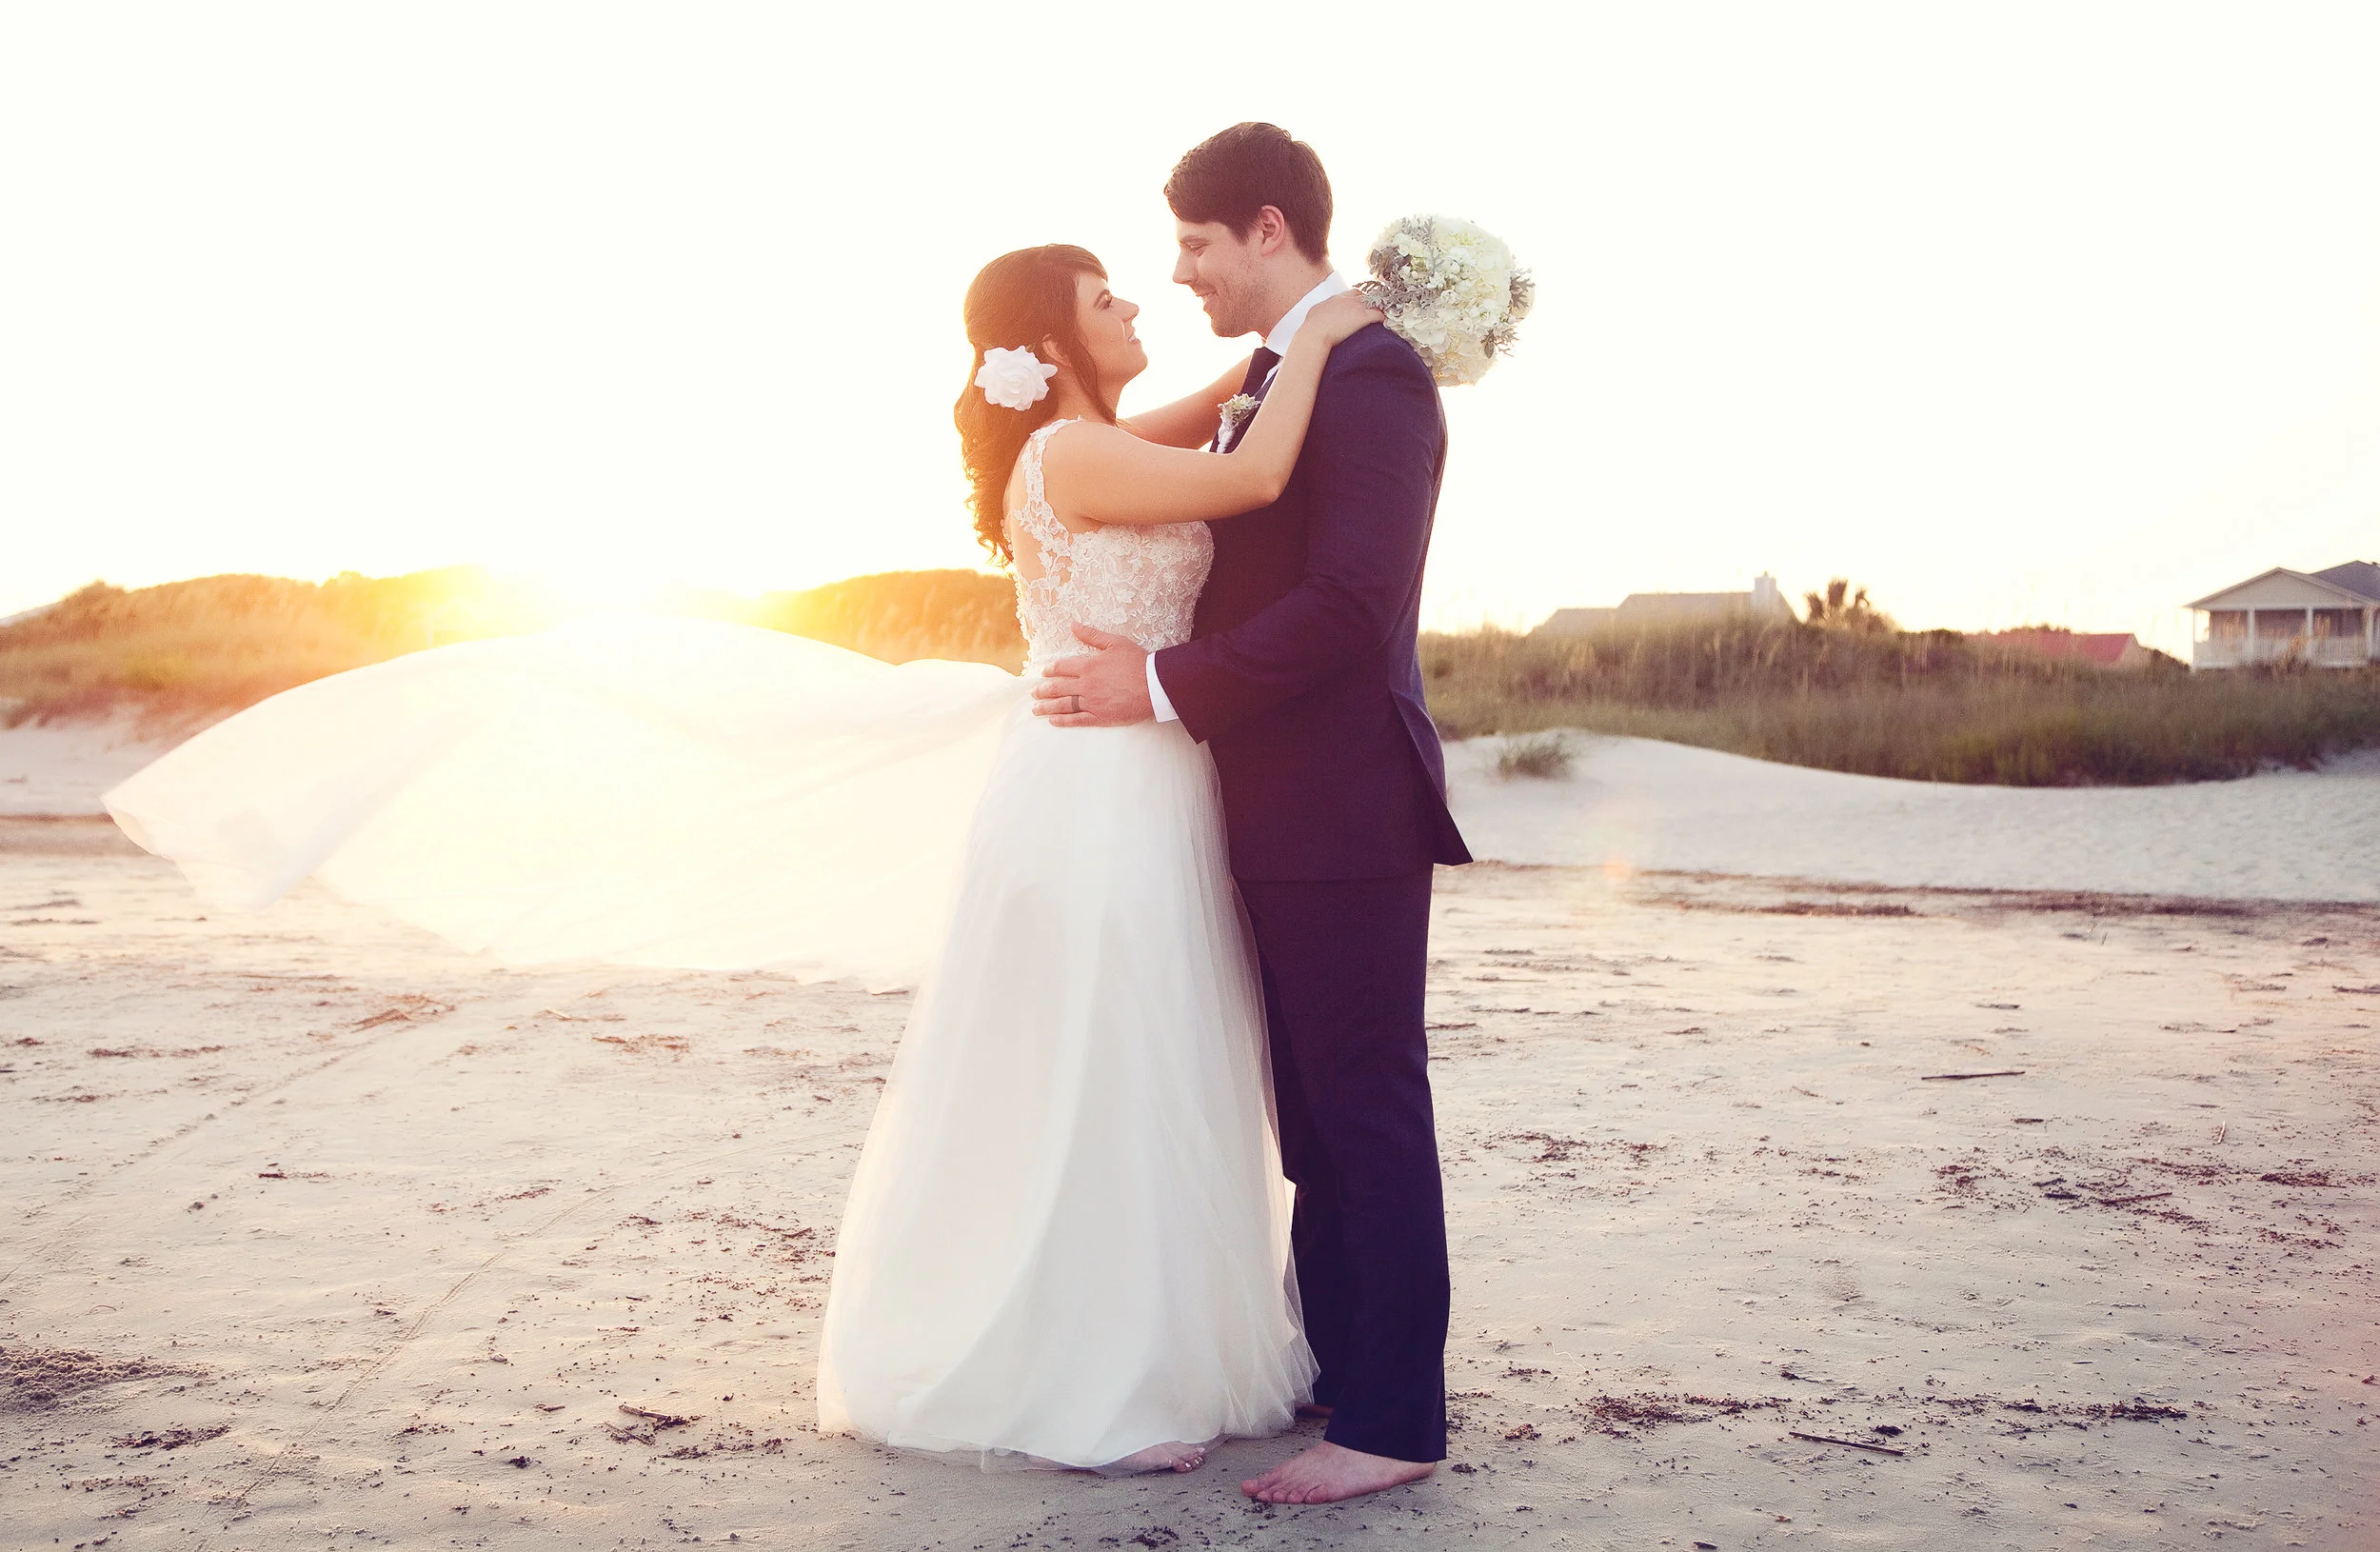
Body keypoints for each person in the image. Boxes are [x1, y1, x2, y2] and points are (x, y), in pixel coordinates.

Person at [1032, 122, 1472, 1505]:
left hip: (1344, 800)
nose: (1183, 275)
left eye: (1198, 246)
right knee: (1311, 1112)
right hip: (1264, 800)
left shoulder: (1377, 379)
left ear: (1268, 228)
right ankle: (1346, 1369)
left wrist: (1158, 682)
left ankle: (1395, 1416)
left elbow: (1348, 606)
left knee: (1365, 1102)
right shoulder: (1279, 376)